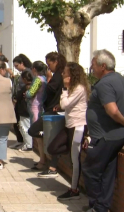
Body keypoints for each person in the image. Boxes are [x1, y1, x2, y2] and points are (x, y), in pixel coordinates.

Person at [83, 50, 124, 212]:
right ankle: (102, 207)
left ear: (103, 66)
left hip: (104, 137)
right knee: (107, 173)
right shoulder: (120, 79)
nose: (91, 68)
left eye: (93, 64)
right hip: (113, 135)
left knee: (91, 171)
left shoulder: (104, 84)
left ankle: (97, 207)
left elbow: (111, 110)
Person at [50, 62, 90, 201]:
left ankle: (74, 190)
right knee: (53, 147)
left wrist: (65, 89)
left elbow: (65, 104)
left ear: (71, 75)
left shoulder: (79, 88)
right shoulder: (73, 88)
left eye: (65, 72)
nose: (62, 74)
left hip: (78, 126)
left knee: (75, 160)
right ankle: (72, 148)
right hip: (69, 125)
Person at [28, 52, 66, 174]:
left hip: (50, 111)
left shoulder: (56, 77)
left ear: (56, 62)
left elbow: (48, 90)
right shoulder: (54, 76)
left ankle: (48, 163)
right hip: (49, 110)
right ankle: (47, 163)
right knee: (48, 136)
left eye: (50, 64)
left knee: (37, 132)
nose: (48, 67)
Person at [25, 62, 48, 158]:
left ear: (34, 69)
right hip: (41, 106)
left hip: (35, 107)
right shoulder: (45, 79)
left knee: (38, 136)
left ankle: (42, 159)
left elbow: (30, 93)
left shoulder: (38, 80)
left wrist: (26, 92)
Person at [11, 54, 33, 149]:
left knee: (22, 123)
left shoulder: (28, 72)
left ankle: (26, 143)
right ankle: (21, 140)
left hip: (23, 101)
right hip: (19, 100)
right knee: (17, 122)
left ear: (22, 63)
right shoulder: (23, 73)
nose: (16, 68)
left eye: (17, 66)